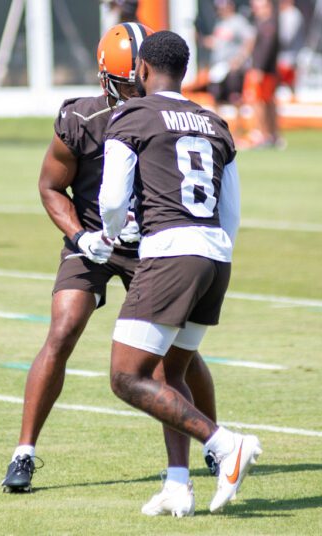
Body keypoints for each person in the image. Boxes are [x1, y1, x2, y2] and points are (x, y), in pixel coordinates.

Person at [0, 24, 219, 507]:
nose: (134, 93)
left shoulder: (167, 116)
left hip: (154, 244)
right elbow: (51, 187)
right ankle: (24, 450)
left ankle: (213, 440)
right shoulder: (81, 117)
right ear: (108, 79)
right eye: (126, 85)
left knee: (174, 354)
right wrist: (80, 236)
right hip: (96, 236)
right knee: (63, 329)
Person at [100, 30, 261, 515]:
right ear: (185, 72)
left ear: (142, 70)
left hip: (172, 253)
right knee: (173, 371)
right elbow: (231, 212)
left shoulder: (132, 114)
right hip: (216, 255)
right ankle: (177, 485)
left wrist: (115, 232)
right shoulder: (214, 121)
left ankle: (223, 442)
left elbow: (111, 200)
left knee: (126, 377)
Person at [203, 0, 255, 117]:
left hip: (233, 68)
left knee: (235, 97)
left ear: (230, 6)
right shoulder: (220, 23)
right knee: (216, 96)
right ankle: (220, 126)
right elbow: (220, 43)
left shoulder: (238, 21)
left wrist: (240, 59)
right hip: (219, 67)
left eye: (223, 7)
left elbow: (250, 40)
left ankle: (239, 127)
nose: (221, 10)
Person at [243, 0, 283, 148]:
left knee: (260, 103)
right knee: (267, 102)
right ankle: (272, 135)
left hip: (263, 71)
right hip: (266, 70)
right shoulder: (265, 23)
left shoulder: (268, 24)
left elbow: (266, 48)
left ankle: (265, 134)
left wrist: (258, 68)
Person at [277, 0, 304, 97]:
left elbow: (286, 38)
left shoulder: (292, 15)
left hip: (289, 59)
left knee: (290, 89)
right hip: (282, 59)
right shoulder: (282, 14)